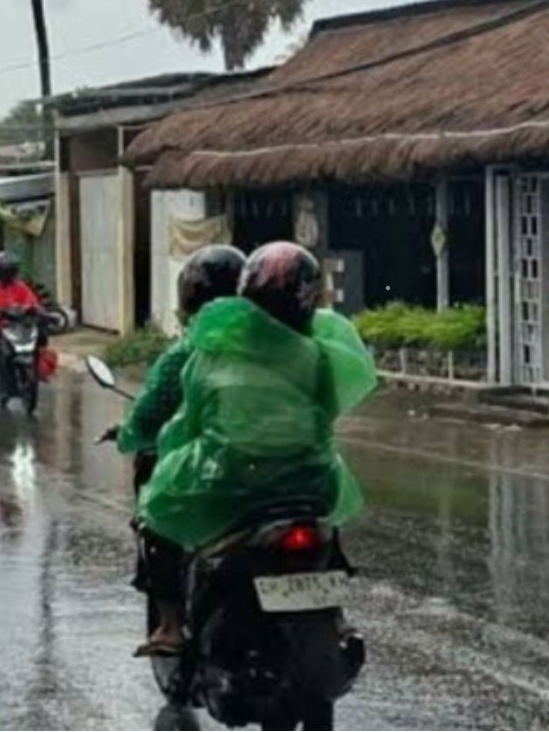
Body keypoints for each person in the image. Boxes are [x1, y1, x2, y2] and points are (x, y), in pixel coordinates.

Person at [134, 241, 378, 656]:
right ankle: (333, 610)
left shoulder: (210, 350)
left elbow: (184, 423)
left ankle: (172, 625)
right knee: (325, 516)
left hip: (234, 481)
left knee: (154, 510)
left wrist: (164, 448)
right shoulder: (321, 351)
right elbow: (325, 415)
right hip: (309, 481)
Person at [112, 246, 246, 656]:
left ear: (189, 300)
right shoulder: (281, 345)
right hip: (287, 468)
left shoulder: (184, 355)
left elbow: (147, 417)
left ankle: (171, 625)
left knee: (157, 512)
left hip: (214, 471)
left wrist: (127, 435)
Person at [0, 252, 42, 382]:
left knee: (41, 336)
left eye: (10, 271)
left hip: (19, 327)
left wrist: (34, 310)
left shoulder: (21, 287)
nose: (8, 275)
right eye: (5, 271)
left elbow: (32, 301)